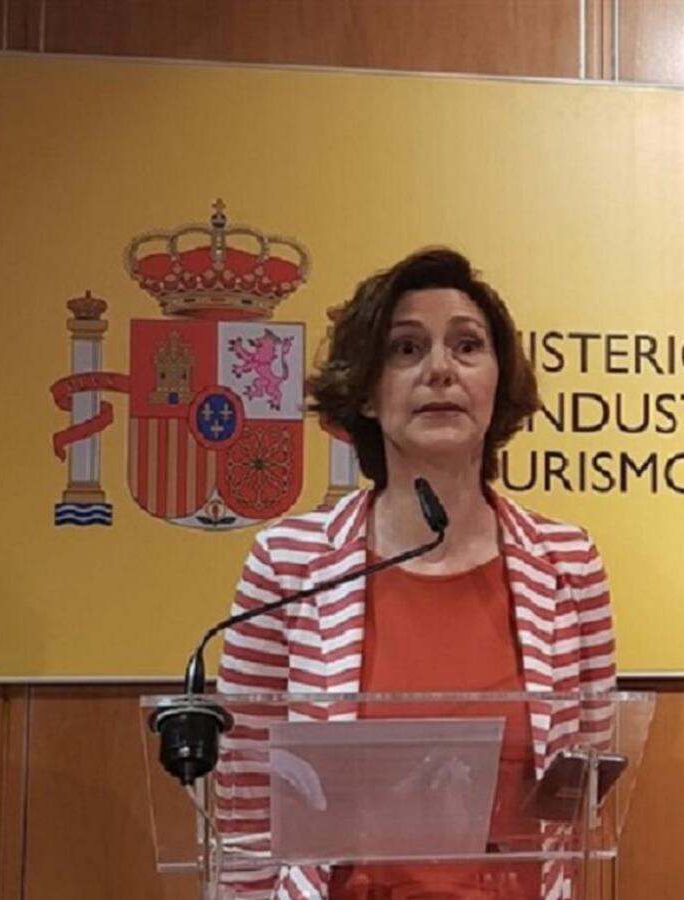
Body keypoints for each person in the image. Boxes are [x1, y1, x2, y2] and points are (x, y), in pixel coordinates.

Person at [215, 247, 617, 900]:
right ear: (367, 393)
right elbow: (246, 802)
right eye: (406, 349)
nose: (440, 370)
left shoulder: (567, 563)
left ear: (498, 382)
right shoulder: (289, 563)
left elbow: (585, 783)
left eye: (467, 346)